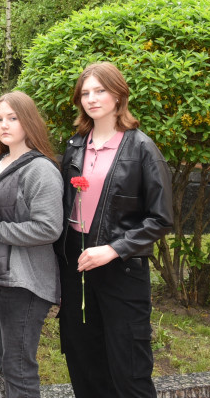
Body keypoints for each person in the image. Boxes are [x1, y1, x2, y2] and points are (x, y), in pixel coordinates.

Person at [56, 62, 172, 398]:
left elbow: (161, 217)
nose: (91, 99)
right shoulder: (76, 145)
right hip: (76, 264)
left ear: (119, 94)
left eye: (100, 91)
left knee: (129, 366)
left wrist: (114, 248)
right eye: (86, 93)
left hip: (121, 267)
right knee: (83, 359)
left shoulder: (141, 148)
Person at [0, 92, 63, 398]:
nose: (3, 125)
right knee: (7, 363)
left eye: (12, 118)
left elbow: (48, 229)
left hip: (25, 281)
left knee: (19, 368)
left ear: (28, 120)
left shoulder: (41, 169)